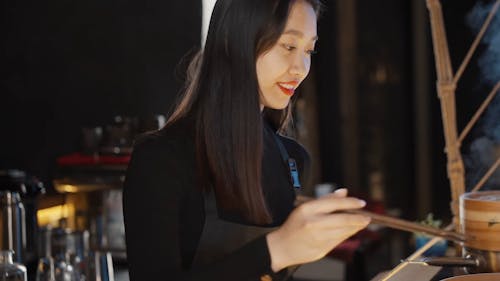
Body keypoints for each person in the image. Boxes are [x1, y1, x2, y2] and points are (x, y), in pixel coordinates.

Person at [122, 0, 371, 280]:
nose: (301, 68)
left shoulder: (292, 160)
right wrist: (277, 250)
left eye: (309, 50)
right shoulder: (161, 158)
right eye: (289, 46)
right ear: (236, 41)